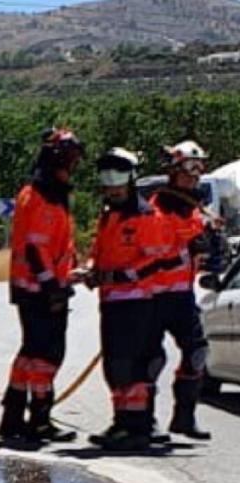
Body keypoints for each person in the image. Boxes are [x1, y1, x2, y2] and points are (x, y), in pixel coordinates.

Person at [0, 128, 83, 443]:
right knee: (46, 355)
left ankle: (13, 415)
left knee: (30, 351)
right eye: (70, 159)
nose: (72, 167)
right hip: (39, 291)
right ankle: (40, 419)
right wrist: (52, 289)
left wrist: (69, 272)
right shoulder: (42, 198)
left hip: (33, 288)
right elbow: (36, 249)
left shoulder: (38, 193)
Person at [84, 148, 166, 451]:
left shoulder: (146, 216)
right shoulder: (109, 216)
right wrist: (92, 271)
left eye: (117, 178)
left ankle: (138, 426)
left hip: (136, 303)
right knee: (115, 366)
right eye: (106, 178)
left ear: (131, 179)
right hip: (111, 302)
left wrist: (118, 277)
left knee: (132, 367)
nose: (111, 185)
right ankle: (121, 423)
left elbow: (154, 262)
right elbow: (99, 253)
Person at [149, 140, 215, 440]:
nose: (194, 175)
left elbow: (199, 249)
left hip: (183, 295)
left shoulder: (194, 211)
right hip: (153, 294)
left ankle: (184, 417)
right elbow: (153, 250)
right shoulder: (157, 208)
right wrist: (187, 246)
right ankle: (144, 419)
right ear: (174, 171)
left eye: (199, 169)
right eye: (189, 168)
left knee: (198, 352)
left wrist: (211, 246)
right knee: (151, 358)